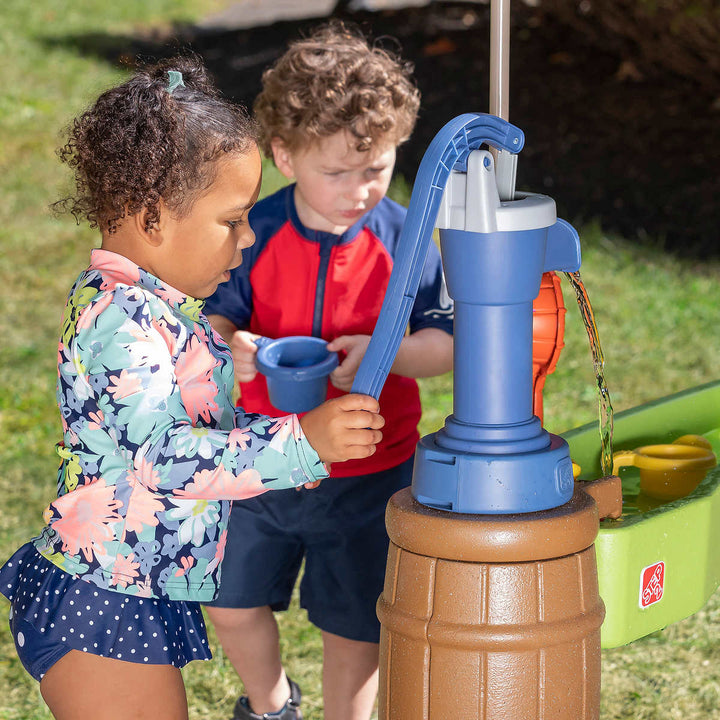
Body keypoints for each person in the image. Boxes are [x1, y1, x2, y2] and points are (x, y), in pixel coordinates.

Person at [0, 55, 385, 720]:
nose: (248, 236)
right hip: (106, 596)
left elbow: (199, 434)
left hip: (132, 587)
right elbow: (168, 458)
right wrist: (299, 444)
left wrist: (290, 444)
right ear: (151, 217)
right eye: (232, 219)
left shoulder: (158, 307)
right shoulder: (119, 321)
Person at [203, 22, 453, 720]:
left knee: (356, 624)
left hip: (369, 473)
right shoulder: (253, 231)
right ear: (284, 154)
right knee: (230, 602)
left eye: (376, 169)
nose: (359, 190)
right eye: (336, 172)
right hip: (259, 461)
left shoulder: (405, 239)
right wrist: (235, 349)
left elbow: (447, 343)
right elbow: (215, 319)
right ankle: (272, 702)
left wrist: (386, 354)